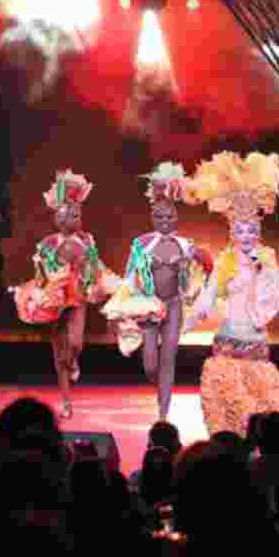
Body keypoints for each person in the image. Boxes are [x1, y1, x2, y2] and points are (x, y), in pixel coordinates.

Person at [181, 151, 279, 439]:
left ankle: (268, 442)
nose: (246, 236)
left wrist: (262, 270)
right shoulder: (225, 261)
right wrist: (188, 321)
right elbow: (208, 296)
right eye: (240, 230)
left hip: (255, 338)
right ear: (233, 232)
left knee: (263, 400)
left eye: (251, 230)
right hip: (228, 338)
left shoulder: (266, 258)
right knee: (228, 400)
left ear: (257, 231)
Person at [101, 162, 213, 421]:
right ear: (152, 217)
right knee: (151, 364)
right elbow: (129, 279)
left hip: (174, 306)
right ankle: (159, 385)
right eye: (160, 217)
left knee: (168, 358)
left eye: (170, 217)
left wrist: (203, 288)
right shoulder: (141, 244)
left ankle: (163, 414)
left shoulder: (185, 245)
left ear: (177, 217)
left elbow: (208, 263)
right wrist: (124, 310)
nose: (165, 221)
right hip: (150, 310)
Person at [10, 170, 120, 418]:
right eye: (66, 214)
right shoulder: (47, 244)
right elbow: (40, 273)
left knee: (75, 343)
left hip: (77, 298)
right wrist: (39, 295)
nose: (72, 218)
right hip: (54, 301)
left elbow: (94, 266)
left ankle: (73, 361)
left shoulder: (86, 240)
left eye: (76, 214)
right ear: (56, 217)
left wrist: (101, 284)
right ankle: (66, 401)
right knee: (58, 350)